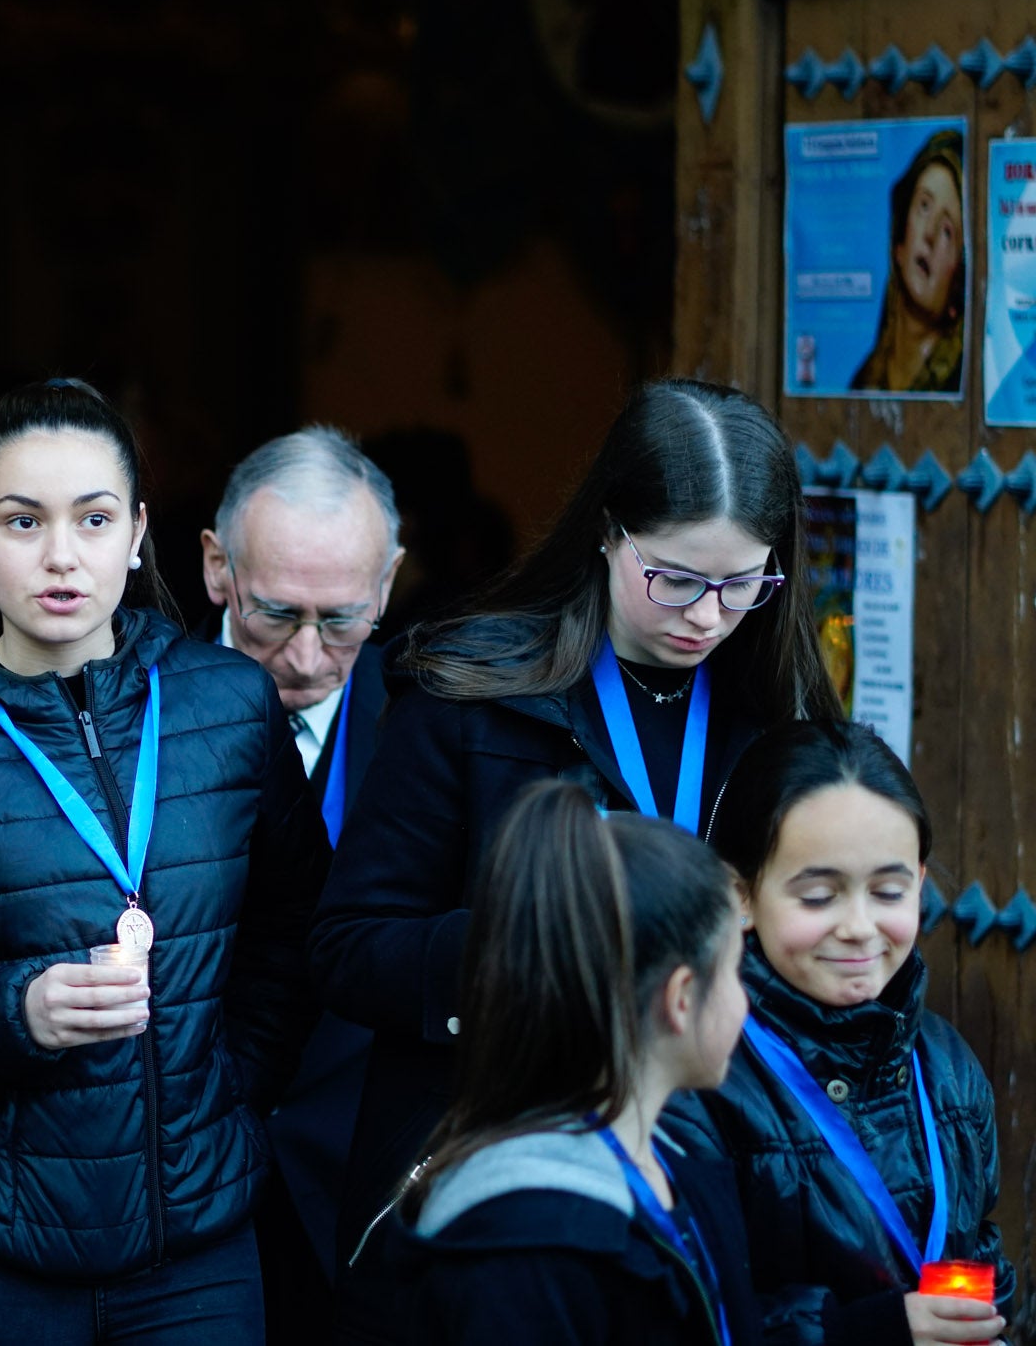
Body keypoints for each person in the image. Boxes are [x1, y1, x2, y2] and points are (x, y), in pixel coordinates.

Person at [309, 377, 844, 1342]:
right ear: (607, 532)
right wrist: (548, 947)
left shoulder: (778, 712)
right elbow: (347, 947)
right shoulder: (467, 693)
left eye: (742, 582)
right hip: (493, 1157)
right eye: (675, 577)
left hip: (707, 1147)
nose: (707, 616)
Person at [0, 378, 331, 1345]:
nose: (61, 555)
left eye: (92, 519)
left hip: (199, 1249)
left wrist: (226, 1090)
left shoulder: (231, 705)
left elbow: (296, 931)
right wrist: (18, 1012)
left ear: (137, 533)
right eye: (22, 520)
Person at [663, 721, 1013, 1345]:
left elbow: (984, 1257)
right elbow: (681, 1314)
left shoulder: (949, 1066)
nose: (858, 927)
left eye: (888, 891)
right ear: (739, 895)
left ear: (921, 887)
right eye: (819, 896)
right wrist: (870, 1333)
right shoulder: (696, 1075)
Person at [382, 781, 760, 1345]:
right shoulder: (523, 1245)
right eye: (734, 969)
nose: (744, 999)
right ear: (681, 998)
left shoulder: (677, 1166)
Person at [198, 424, 404, 1331]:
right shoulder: (125, 698)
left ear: (390, 582)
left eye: (344, 620)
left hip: (362, 1205)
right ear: (217, 568)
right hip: (177, 1197)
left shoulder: (435, 728)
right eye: (275, 615)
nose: (311, 659)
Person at [850, 130, 964, 394]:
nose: (930, 234)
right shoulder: (864, 381)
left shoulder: (953, 390)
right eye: (924, 206)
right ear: (899, 244)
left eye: (948, 231)